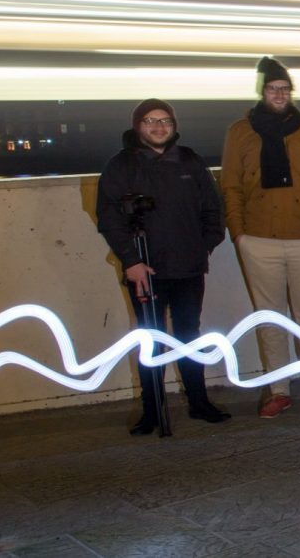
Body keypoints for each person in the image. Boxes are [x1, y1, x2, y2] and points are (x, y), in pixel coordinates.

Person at [97, 99, 231, 435]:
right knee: (150, 341)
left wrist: (204, 245)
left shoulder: (189, 160)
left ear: (174, 126)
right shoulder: (121, 165)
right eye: (151, 121)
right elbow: (109, 217)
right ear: (138, 126)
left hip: (188, 267)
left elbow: (213, 209)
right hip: (145, 270)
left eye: (165, 121)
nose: (159, 127)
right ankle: (152, 410)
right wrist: (131, 261)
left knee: (189, 336)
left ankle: (199, 402)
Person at [220, 57, 300, 418]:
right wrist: (239, 234)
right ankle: (278, 390)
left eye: (285, 89)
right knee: (270, 319)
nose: (279, 95)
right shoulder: (240, 132)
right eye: (273, 89)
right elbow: (231, 185)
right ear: (263, 92)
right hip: (258, 239)